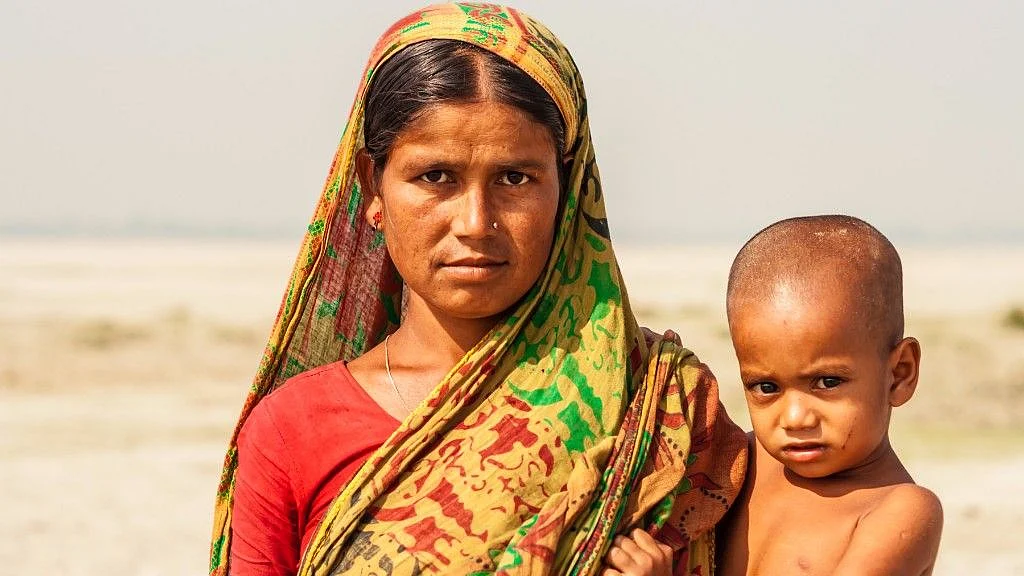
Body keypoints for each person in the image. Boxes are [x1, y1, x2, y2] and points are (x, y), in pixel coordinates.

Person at [208, 4, 747, 576]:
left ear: (567, 189)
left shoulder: (655, 403)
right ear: (372, 188)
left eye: (515, 178)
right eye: (435, 176)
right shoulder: (294, 429)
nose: (474, 221)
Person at [714, 215, 944, 575]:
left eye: (827, 382)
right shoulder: (735, 466)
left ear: (899, 374)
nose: (794, 418)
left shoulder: (898, 511)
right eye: (766, 387)